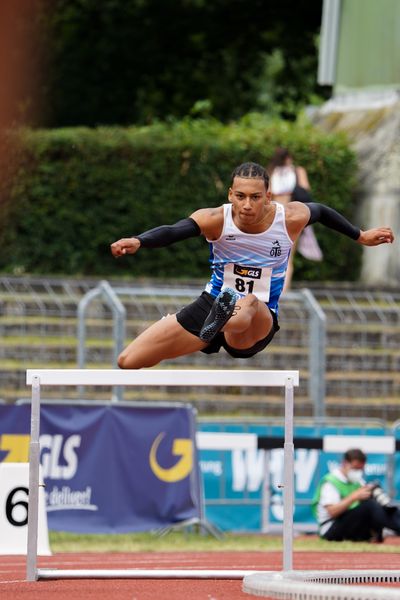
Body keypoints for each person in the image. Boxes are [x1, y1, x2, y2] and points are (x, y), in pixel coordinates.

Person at [110, 161, 393, 370]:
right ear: (230, 194)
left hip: (257, 318)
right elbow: (174, 231)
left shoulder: (288, 218)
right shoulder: (215, 219)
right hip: (210, 303)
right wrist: (139, 241)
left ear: (268, 197)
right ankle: (213, 324)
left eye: (255, 197)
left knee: (248, 304)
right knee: (128, 360)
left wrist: (361, 236)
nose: (247, 205)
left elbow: (321, 212)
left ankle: (223, 319)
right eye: (241, 196)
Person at [312, 448, 400, 542]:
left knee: (383, 506)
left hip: (349, 526)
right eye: (355, 468)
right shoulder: (331, 482)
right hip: (329, 528)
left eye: (360, 469)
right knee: (369, 506)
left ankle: (376, 535)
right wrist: (354, 497)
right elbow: (332, 512)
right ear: (345, 463)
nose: (358, 472)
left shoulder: (358, 482)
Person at [267, 147, 323, 292]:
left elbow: (267, 193)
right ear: (288, 157)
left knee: (271, 252)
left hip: (274, 213)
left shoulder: (271, 172)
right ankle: (283, 290)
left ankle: (273, 288)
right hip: (290, 213)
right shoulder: (297, 171)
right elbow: (305, 189)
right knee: (288, 254)